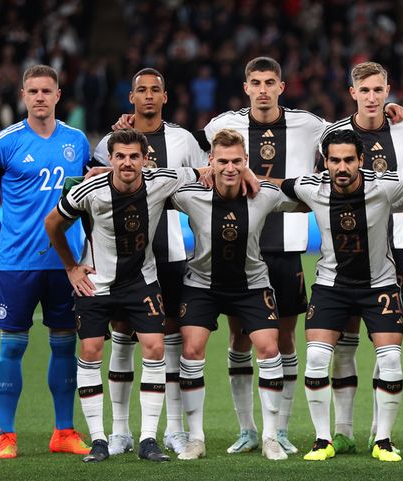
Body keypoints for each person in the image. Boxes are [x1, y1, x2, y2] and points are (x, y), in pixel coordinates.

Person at [196, 56, 403, 455]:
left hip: (286, 244)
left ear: (282, 86)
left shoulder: (311, 124)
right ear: (246, 87)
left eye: (269, 82)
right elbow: (198, 157)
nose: (262, 89)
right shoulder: (220, 124)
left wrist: (388, 111)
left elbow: (350, 135)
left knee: (286, 339)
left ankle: (284, 429)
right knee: (240, 336)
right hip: (237, 246)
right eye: (255, 82)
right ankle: (247, 429)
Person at [278, 129, 403, 462]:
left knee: (391, 360)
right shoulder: (311, 186)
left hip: (378, 285)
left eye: (349, 160)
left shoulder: (384, 186)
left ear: (361, 161)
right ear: (325, 162)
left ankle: (383, 440)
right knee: (318, 359)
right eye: (334, 160)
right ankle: (323, 440)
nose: (342, 167)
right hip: (331, 285)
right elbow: (277, 184)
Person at [44, 128, 200, 463]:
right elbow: (53, 223)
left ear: (145, 159)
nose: (127, 162)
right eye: (120, 156)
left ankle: (147, 439)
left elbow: (207, 170)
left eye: (134, 156)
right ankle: (100, 440)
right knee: (90, 349)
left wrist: (236, 169)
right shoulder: (90, 190)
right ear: (110, 159)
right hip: (96, 283)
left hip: (141, 282)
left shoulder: (161, 180)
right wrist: (71, 267)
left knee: (156, 347)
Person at [0, 64, 91, 459]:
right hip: (17, 264)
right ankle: (7, 436)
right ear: (23, 95)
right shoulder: (3, 143)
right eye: (33, 91)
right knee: (12, 348)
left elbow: (88, 199)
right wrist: (1, 239)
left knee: (63, 347)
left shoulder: (77, 142)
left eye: (47, 91)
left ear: (58, 95)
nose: (40, 97)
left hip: (65, 264)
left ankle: (64, 432)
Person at [91, 68, 207, 457]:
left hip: (171, 252)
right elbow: (92, 202)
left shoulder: (183, 139)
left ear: (165, 96)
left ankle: (173, 430)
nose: (148, 96)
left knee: (167, 342)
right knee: (122, 338)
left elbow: (202, 182)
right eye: (141, 90)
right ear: (131, 97)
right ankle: (120, 431)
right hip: (123, 260)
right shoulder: (110, 142)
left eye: (155, 90)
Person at [319, 61, 403, 453]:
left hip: (394, 246)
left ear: (388, 92)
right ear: (352, 92)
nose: (372, 97)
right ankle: (345, 429)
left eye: (378, 90)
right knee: (346, 339)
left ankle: (378, 430)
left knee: (385, 342)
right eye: (364, 90)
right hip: (345, 247)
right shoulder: (333, 135)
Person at [170, 128, 297, 461]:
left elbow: (303, 195)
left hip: (251, 286)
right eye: (222, 161)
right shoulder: (190, 194)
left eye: (237, 161)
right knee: (192, 350)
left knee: (270, 349)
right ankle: (195, 438)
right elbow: (150, 181)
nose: (229, 167)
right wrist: (195, 173)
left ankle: (270, 437)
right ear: (211, 161)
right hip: (202, 285)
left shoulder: (265, 194)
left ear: (246, 162)